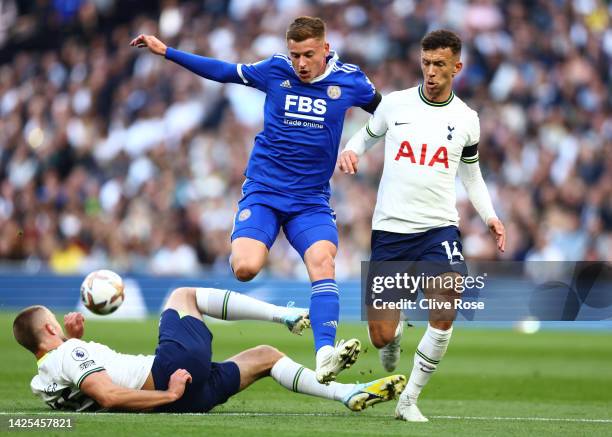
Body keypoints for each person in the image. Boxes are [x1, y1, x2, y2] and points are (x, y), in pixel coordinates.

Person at [130, 16, 383, 383]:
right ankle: (283, 314)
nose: (300, 64)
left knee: (323, 261)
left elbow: (389, 114)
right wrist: (167, 52)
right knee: (245, 268)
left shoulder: (350, 80)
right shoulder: (274, 71)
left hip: (310, 200)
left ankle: (325, 354)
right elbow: (223, 71)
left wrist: (358, 146)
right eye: (295, 54)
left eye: (308, 55)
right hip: (264, 192)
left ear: (325, 49)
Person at [339, 30, 506, 422]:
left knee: (446, 308)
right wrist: (349, 150)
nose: (431, 72)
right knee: (381, 335)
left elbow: (472, 175)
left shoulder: (466, 119)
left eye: (440, 65)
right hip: (391, 232)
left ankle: (409, 400)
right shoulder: (395, 105)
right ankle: (393, 338)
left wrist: (491, 216)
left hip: (439, 229)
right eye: (426, 63)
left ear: (457, 67)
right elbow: (365, 137)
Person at [13, 287, 406, 413]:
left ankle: (345, 392)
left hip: (184, 398)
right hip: (170, 377)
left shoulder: (45, 377)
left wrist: (75, 338)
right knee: (182, 295)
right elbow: (107, 394)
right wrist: (167, 391)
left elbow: (83, 384)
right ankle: (284, 315)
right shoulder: (67, 356)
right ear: (49, 327)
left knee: (266, 356)